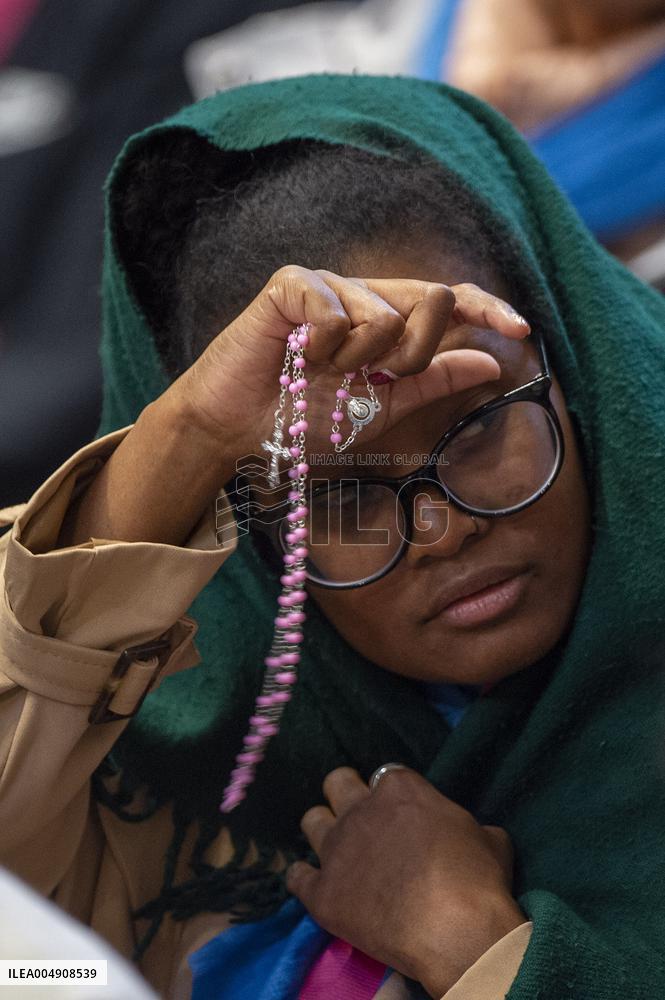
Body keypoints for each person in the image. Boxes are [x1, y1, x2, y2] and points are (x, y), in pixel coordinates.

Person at [1, 73, 664, 1000]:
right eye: (341, 490)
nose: (439, 531)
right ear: (260, 541)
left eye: (476, 426)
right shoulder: (184, 783)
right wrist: (183, 441)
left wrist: (480, 951)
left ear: (578, 364)